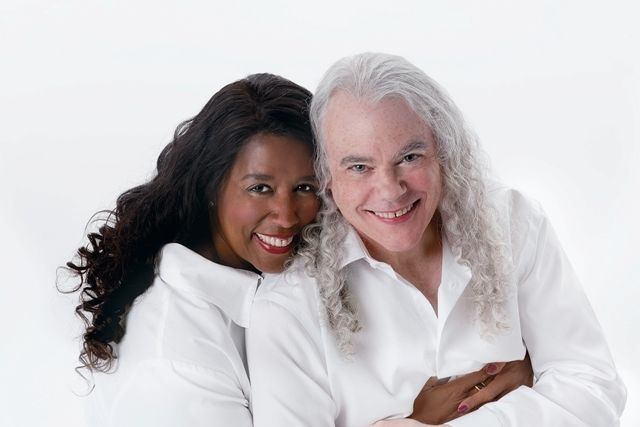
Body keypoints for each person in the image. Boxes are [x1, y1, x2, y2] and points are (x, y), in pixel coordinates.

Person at [246, 53, 627, 426]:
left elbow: (593, 387)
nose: (390, 191)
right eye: (359, 167)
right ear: (326, 176)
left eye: (410, 157)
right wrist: (534, 403)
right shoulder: (286, 308)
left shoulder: (511, 221)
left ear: (443, 150)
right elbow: (572, 400)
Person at [64, 73, 320, 426]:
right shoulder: (179, 364)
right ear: (210, 187)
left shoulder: (271, 281)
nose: (287, 215)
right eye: (260, 188)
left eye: (305, 187)